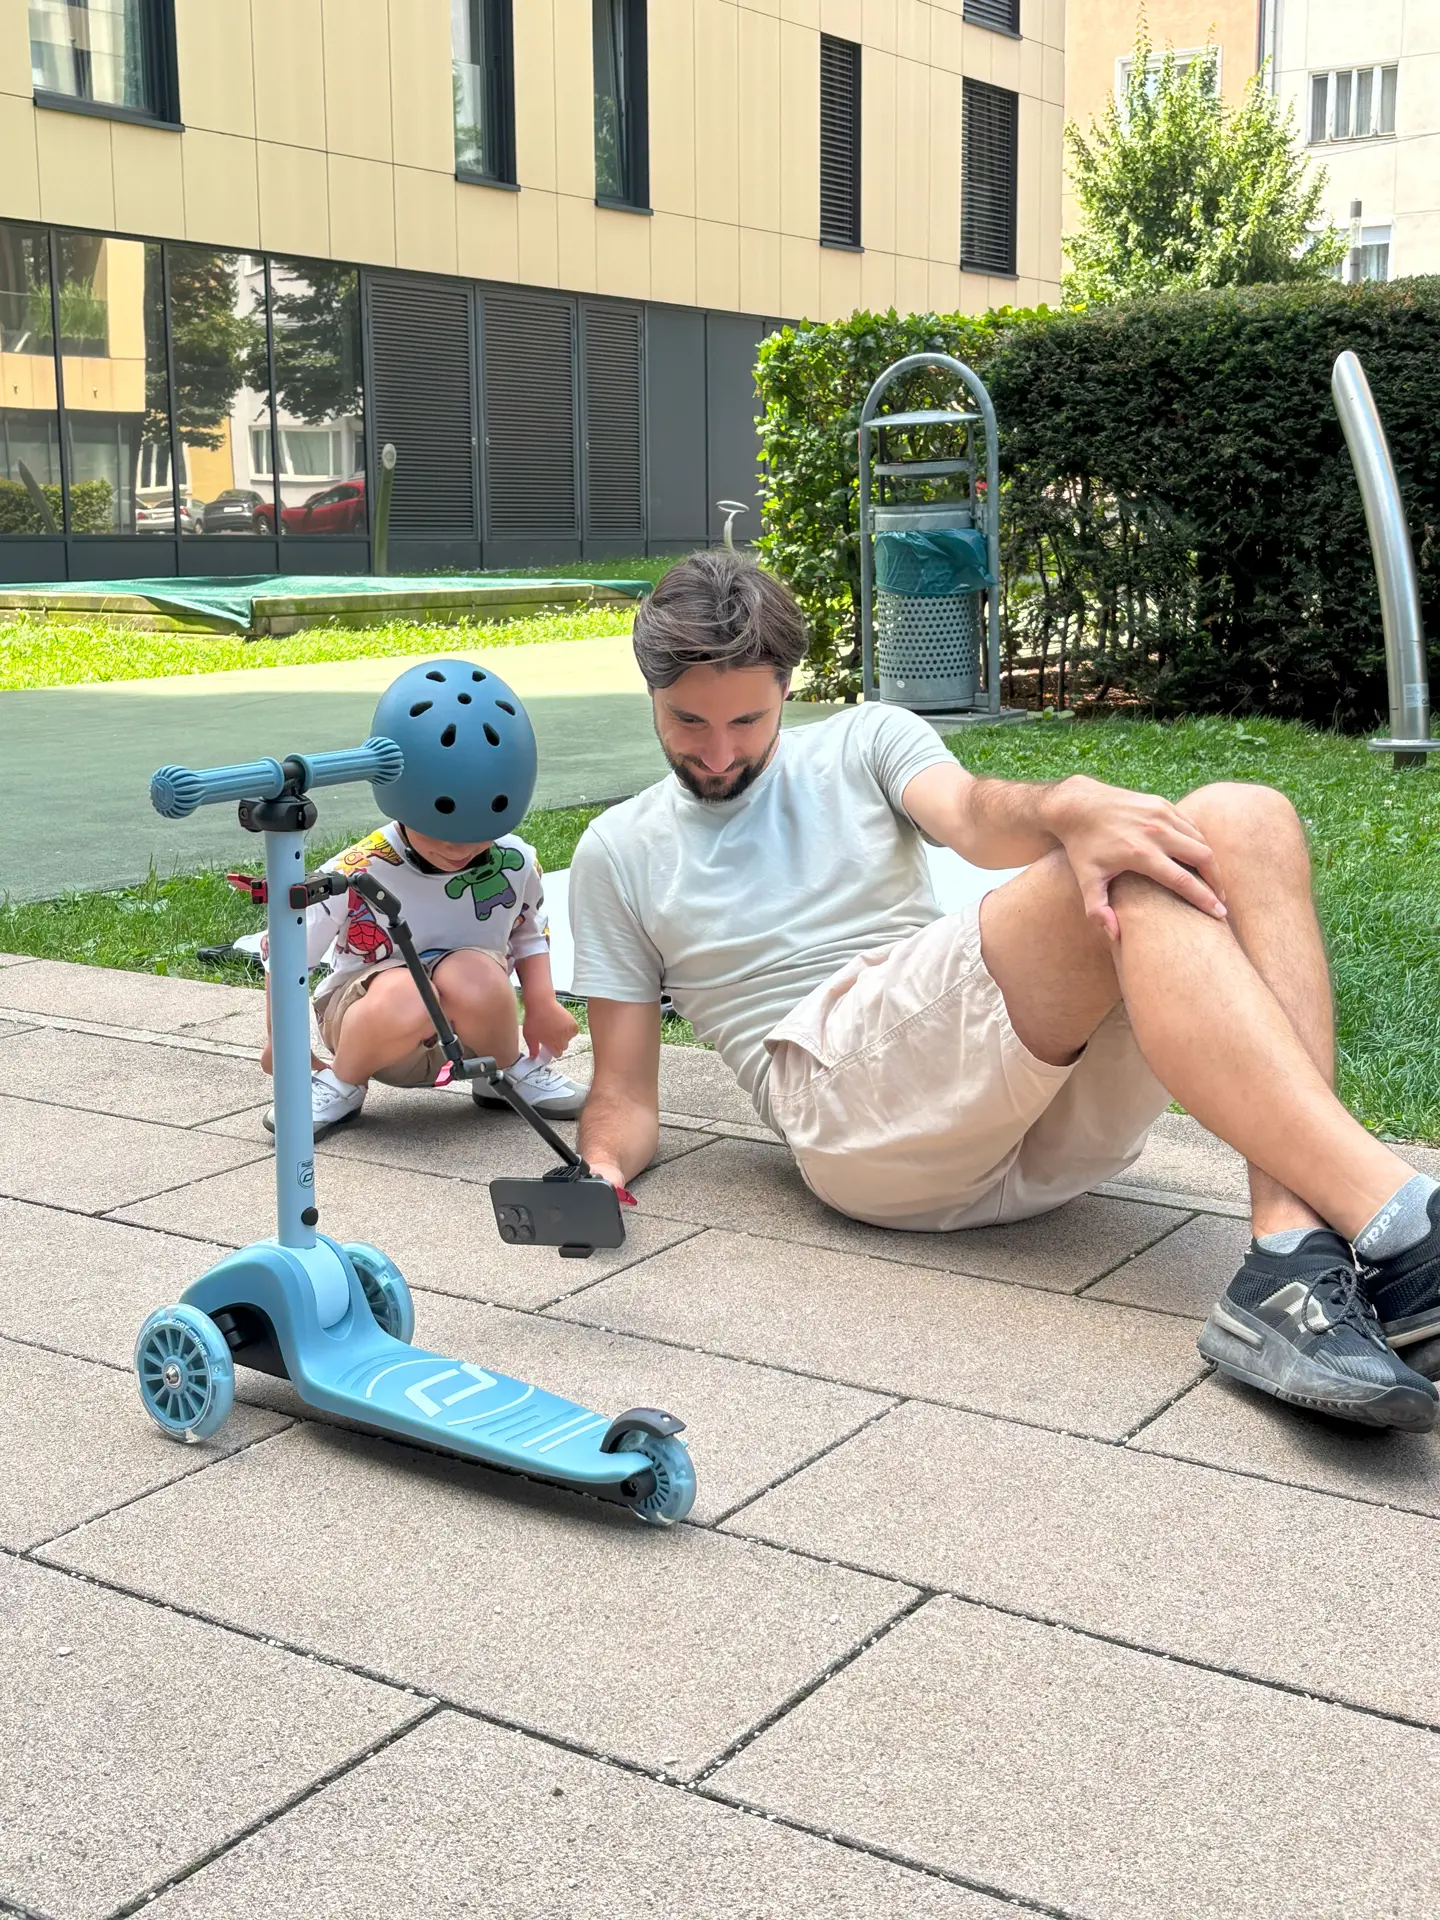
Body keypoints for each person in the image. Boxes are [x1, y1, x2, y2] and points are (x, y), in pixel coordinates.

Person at [569, 551, 1440, 1433]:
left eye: (746, 721)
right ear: (649, 693)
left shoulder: (864, 740)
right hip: (854, 1117)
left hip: (1034, 1118)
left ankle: (1290, 1259)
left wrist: (1064, 805)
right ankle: (1409, 1227)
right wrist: (596, 1173)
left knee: (1246, 813)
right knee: (1127, 875)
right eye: (688, 722)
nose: (718, 754)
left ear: (788, 690)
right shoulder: (620, 849)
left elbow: (974, 817)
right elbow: (622, 1093)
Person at [261, 658, 584, 1137]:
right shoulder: (358, 870)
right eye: (441, 830)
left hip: (472, 1037)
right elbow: (284, 955)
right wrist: (281, 1042)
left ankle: (503, 1072)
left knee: (474, 971)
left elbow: (528, 934)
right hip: (373, 1033)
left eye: (480, 834)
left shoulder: (515, 862)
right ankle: (342, 1084)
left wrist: (541, 1005)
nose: (459, 848)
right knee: (409, 991)